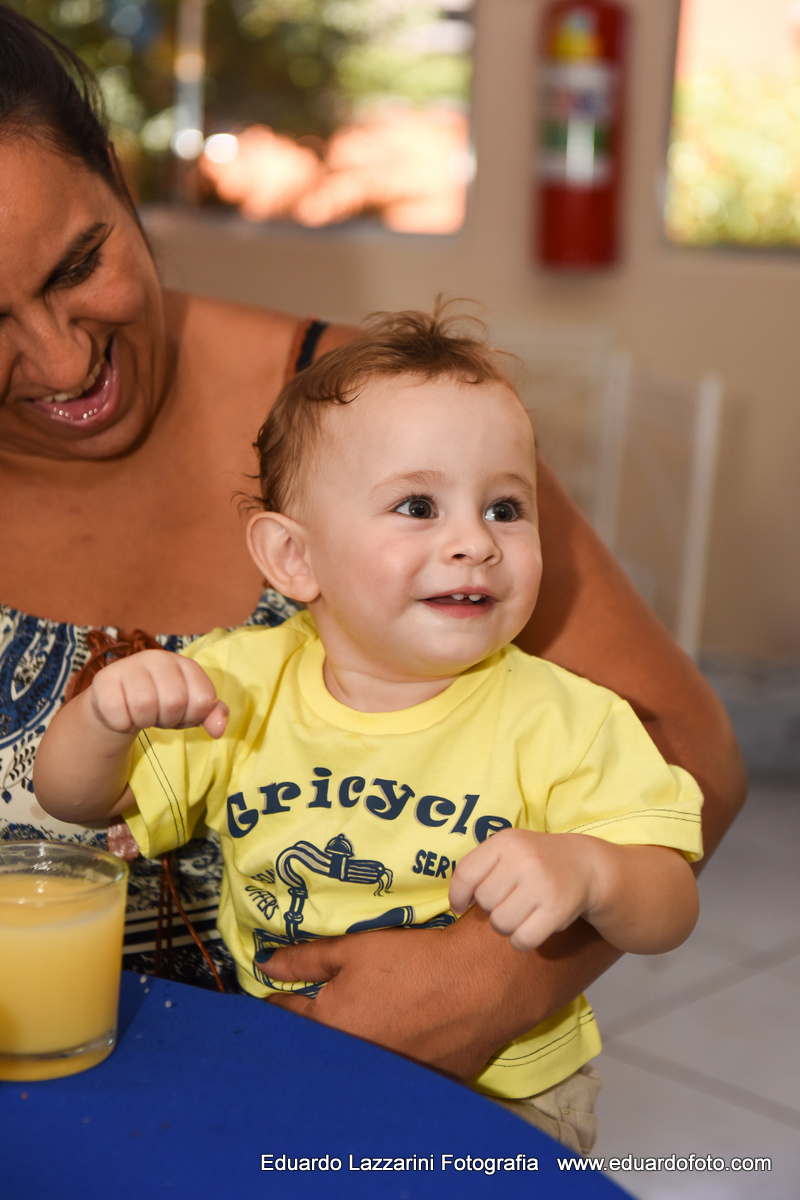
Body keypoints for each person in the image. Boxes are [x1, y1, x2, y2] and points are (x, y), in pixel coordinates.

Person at [1, 3, 745, 1088]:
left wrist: (498, 976)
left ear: (119, 177)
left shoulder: (385, 419)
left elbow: (684, 756)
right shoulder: (238, 682)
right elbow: (90, 793)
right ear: (284, 553)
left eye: (77, 265)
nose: (63, 363)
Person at [35, 309, 704, 1150]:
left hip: (502, 1096)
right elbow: (75, 801)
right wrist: (101, 715)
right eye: (418, 505)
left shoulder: (567, 718)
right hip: (286, 1059)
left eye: (506, 507)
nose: (473, 542)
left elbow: (671, 905)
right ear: (294, 559)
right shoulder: (241, 684)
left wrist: (595, 870)